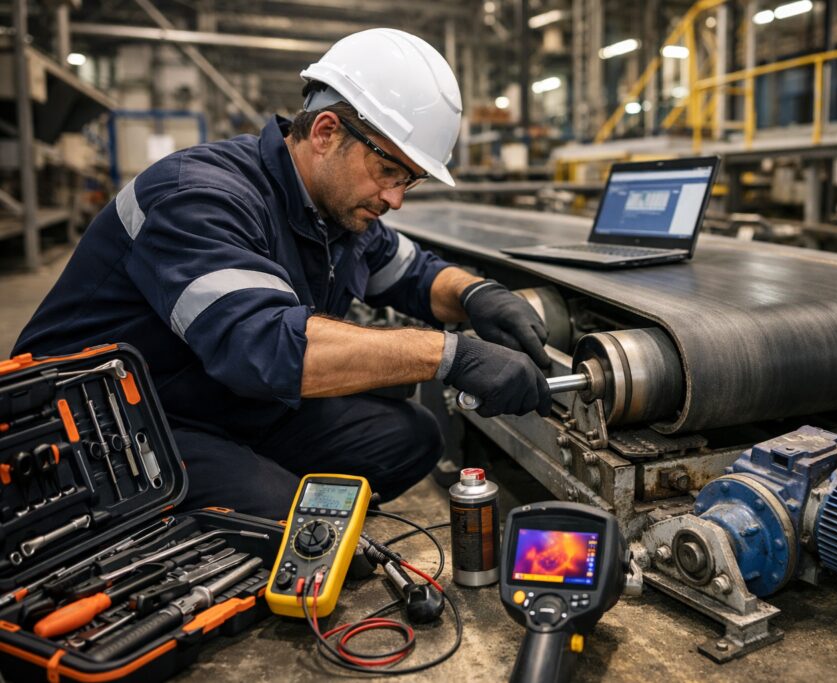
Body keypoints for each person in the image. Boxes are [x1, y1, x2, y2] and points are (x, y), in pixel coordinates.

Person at [13, 29, 551, 519]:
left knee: (409, 437)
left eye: (408, 182)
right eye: (389, 171)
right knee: (287, 518)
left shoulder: (334, 208)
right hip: (105, 425)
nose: (394, 198)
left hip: (221, 400)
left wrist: (480, 294)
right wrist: (451, 356)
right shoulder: (199, 196)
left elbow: (414, 273)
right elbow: (268, 346)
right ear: (324, 132)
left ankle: (245, 486)